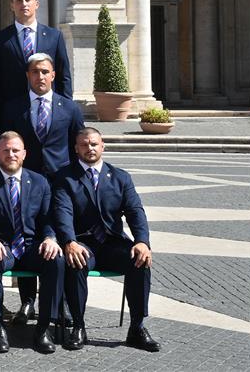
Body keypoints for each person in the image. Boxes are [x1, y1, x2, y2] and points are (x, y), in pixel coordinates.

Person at [52, 128, 160, 353]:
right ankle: (78, 326)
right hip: (83, 243)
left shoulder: (120, 177)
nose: (89, 148)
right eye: (84, 144)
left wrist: (142, 241)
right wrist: (69, 241)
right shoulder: (64, 177)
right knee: (75, 261)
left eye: (93, 144)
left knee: (139, 260)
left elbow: (135, 211)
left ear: (102, 146)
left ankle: (137, 327)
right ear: (76, 149)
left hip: (112, 243)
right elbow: (62, 212)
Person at [0, 52, 84, 324]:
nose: (40, 77)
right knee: (26, 234)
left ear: (53, 75)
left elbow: (77, 145)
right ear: (28, 75)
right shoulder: (13, 108)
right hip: (26, 181)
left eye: (45, 72)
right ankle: (27, 302)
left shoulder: (70, 108)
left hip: (61, 183)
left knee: (62, 237)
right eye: (35, 72)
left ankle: (62, 304)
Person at [0, 131, 64, 354]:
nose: (10, 154)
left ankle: (44, 328)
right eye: (6, 150)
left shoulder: (40, 182)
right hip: (3, 245)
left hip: (32, 246)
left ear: (24, 154)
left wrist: (51, 239)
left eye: (15, 150)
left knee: (56, 260)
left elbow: (47, 219)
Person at [0, 0, 72, 104]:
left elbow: (63, 74)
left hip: (47, 104)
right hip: (12, 107)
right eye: (18, 0)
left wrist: (67, 106)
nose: (23, 3)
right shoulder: (0, 39)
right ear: (12, 6)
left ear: (36, 4)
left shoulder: (54, 36)